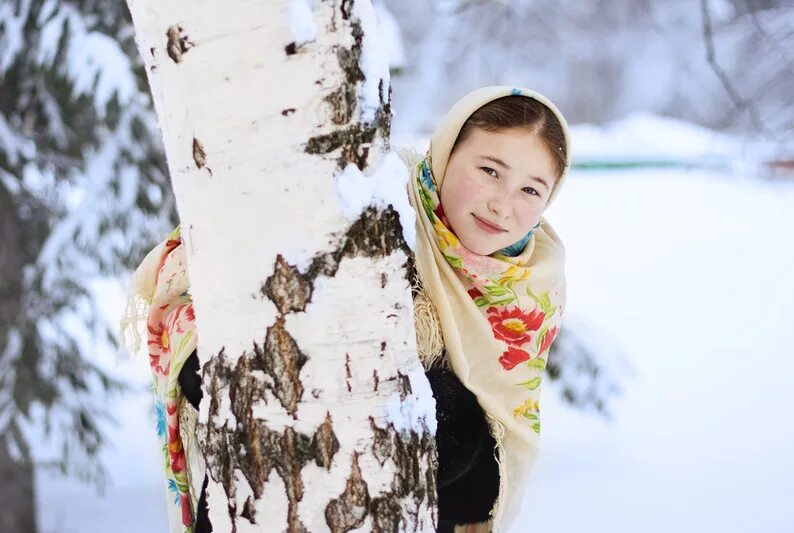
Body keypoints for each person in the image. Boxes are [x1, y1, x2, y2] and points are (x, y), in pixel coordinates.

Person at [121, 85, 569, 533]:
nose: (503, 204)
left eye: (531, 189)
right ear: (448, 152)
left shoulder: (528, 288)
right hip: (264, 508)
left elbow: (480, 492)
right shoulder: (361, 221)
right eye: (491, 170)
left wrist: (419, 396)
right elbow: (210, 358)